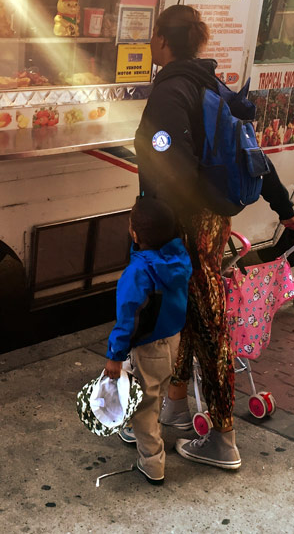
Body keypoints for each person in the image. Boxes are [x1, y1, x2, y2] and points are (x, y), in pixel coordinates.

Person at [135, 4, 294, 470]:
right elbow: (255, 156)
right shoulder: (212, 84)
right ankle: (175, 406)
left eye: (154, 36)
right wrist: (285, 208)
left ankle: (222, 438)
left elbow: (172, 167)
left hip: (186, 226)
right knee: (193, 316)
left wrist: (162, 227)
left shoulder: (172, 92)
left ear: (164, 41)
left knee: (209, 327)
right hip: (212, 224)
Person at [103, 196, 193, 485]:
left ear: (135, 234)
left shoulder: (137, 273)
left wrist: (114, 356)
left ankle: (152, 462)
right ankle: (138, 432)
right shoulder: (180, 259)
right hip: (172, 339)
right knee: (154, 393)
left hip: (149, 346)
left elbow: (127, 319)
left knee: (144, 406)